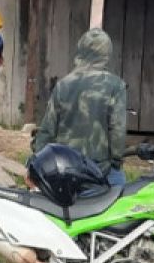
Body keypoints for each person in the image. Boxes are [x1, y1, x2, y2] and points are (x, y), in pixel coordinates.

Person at [33, 29, 128, 186]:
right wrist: (116, 161)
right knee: (122, 192)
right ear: (107, 54)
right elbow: (117, 131)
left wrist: (38, 162)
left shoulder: (63, 84)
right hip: (99, 170)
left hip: (65, 169)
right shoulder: (116, 86)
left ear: (81, 50)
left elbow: (47, 130)